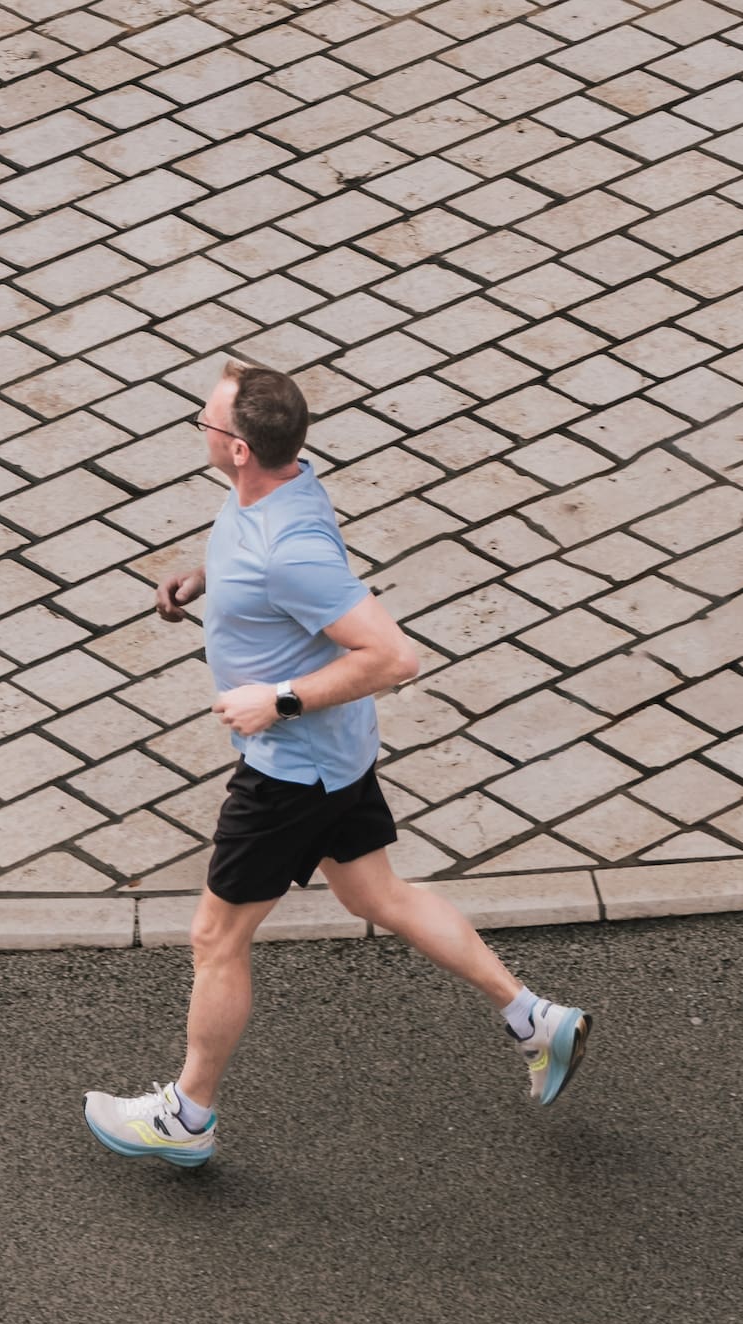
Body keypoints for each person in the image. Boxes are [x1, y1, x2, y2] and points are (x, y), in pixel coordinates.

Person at [83, 361, 592, 1169]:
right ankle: (533, 1018)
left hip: (291, 768)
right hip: (336, 757)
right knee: (376, 893)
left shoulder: (292, 548)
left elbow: (394, 656)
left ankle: (187, 1118)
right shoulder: (278, 486)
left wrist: (276, 700)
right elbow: (260, 563)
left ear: (240, 448)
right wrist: (206, 579)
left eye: (208, 424)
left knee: (215, 937)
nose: (201, 431)